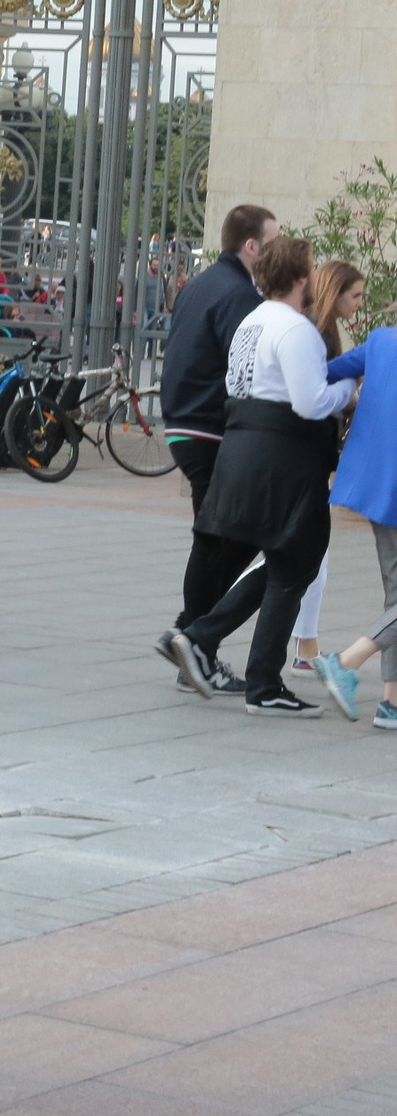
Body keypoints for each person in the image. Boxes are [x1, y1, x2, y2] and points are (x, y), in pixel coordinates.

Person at [158, 237, 355, 715]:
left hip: (243, 444)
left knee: (285, 562)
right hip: (283, 455)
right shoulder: (295, 329)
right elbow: (310, 401)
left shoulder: (252, 320)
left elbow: (237, 382)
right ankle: (258, 679)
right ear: (303, 277)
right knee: (297, 560)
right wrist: (348, 390)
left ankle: (204, 640)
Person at [156, 202, 279, 695]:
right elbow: (247, 367)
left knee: (220, 536)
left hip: (186, 422)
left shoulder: (204, 283)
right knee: (229, 535)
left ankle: (191, 641)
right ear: (251, 247)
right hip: (211, 426)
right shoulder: (239, 296)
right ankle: (193, 639)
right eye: (273, 245)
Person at [297, 280, 397, 727]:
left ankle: (391, 702)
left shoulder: (380, 341)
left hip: (375, 484)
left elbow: (327, 371)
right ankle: (347, 662)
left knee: (396, 593)